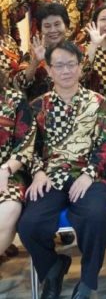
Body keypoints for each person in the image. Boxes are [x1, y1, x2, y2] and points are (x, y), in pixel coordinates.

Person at [18, 40, 106, 299]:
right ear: (49, 70)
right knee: (29, 225)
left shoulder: (99, 102)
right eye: (59, 66)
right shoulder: (37, 106)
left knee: (94, 217)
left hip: (89, 175)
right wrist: (38, 172)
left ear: (81, 67)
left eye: (71, 64)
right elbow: (29, 147)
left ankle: (88, 280)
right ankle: (53, 267)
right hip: (50, 176)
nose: (66, 71)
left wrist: (89, 174)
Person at [0, 70, 33, 262]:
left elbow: (26, 144)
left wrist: (6, 169)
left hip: (9, 173)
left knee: (9, 209)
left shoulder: (15, 100)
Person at [14, 2, 71, 101]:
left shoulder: (76, 52)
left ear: (66, 25)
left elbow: (84, 78)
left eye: (57, 24)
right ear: (40, 30)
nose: (53, 30)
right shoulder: (32, 54)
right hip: (40, 108)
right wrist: (35, 62)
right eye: (47, 26)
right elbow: (19, 83)